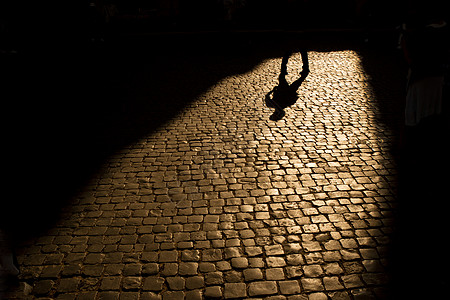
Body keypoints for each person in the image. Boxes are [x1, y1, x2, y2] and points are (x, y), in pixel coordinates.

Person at [265, 50, 309, 121]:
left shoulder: (275, 105)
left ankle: (304, 65)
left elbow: (267, 97)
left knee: (299, 79)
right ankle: (288, 54)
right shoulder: (272, 104)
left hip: (288, 91)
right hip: (284, 90)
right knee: (282, 74)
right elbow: (267, 97)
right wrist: (273, 90)